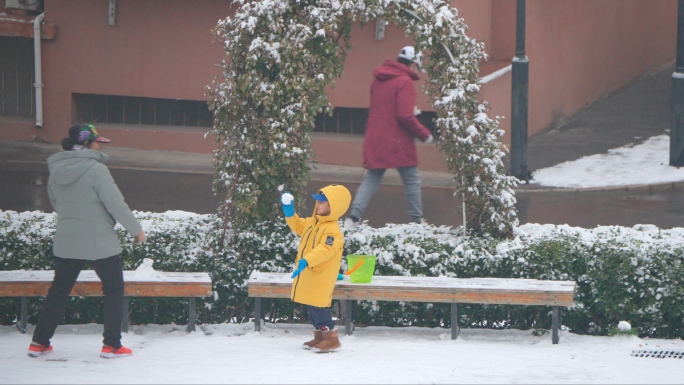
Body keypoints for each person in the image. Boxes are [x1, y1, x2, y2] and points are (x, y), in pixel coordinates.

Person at [28, 124, 145, 359]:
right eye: (96, 141)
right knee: (113, 289)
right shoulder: (96, 170)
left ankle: (39, 342)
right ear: (86, 145)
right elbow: (115, 204)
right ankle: (111, 344)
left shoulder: (56, 170)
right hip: (98, 240)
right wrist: (136, 230)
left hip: (67, 240)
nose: (99, 145)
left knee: (58, 291)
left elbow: (56, 203)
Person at [345, 46, 433, 228]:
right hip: (398, 140)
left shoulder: (378, 80)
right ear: (413, 64)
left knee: (372, 178)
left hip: (377, 136)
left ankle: (353, 218)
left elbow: (384, 108)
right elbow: (404, 115)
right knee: (412, 180)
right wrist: (424, 134)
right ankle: (416, 223)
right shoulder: (404, 82)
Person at [280, 184, 351, 353]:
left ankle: (331, 339)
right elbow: (298, 226)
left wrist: (306, 260)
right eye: (318, 202)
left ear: (332, 207)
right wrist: (289, 212)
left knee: (319, 307)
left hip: (321, 275)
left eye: (323, 203)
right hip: (310, 274)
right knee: (311, 307)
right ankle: (320, 337)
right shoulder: (313, 222)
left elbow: (325, 250)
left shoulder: (333, 231)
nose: (318, 205)